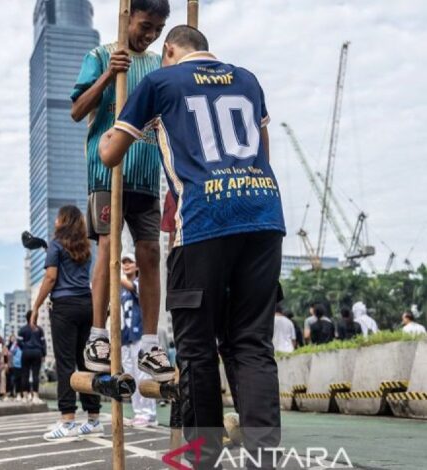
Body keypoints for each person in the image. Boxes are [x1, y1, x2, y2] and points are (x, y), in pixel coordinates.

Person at [99, 26, 286, 465]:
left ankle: (203, 457)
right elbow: (265, 153)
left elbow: (110, 153)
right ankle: (265, 457)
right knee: (251, 344)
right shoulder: (247, 79)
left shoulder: (160, 82)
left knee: (197, 348)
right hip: (262, 215)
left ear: (169, 51)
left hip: (202, 221)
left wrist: (115, 130)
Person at [70, 0, 174, 382]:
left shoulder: (160, 66)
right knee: (109, 249)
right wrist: (107, 76)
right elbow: (78, 111)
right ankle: (98, 336)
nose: (149, 36)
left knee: (149, 253)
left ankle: (149, 343)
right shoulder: (100, 55)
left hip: (147, 176)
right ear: (128, 16)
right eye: (145, 26)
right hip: (107, 171)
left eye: (157, 31)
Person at [32, 205, 102, 441]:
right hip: (86, 305)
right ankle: (93, 418)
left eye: (57, 217)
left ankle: (68, 419)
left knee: (65, 364)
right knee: (86, 363)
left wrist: (36, 306)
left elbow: (51, 277)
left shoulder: (55, 245)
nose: (54, 221)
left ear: (63, 220)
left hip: (64, 307)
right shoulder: (86, 247)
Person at [119, 253, 158, 427]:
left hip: (140, 334)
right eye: (123, 262)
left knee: (143, 374)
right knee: (131, 376)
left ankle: (149, 414)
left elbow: (132, 288)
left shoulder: (139, 284)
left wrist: (114, 273)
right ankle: (138, 412)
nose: (126, 265)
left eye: (130, 262)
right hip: (125, 337)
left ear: (137, 266)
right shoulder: (121, 291)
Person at [18, 310, 46, 404]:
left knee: (25, 375)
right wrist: (44, 354)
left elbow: (19, 342)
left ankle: (25, 397)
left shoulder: (22, 329)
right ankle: (35, 396)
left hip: (26, 352)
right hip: (37, 352)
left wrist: (25, 348)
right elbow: (43, 343)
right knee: (35, 375)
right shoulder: (39, 329)